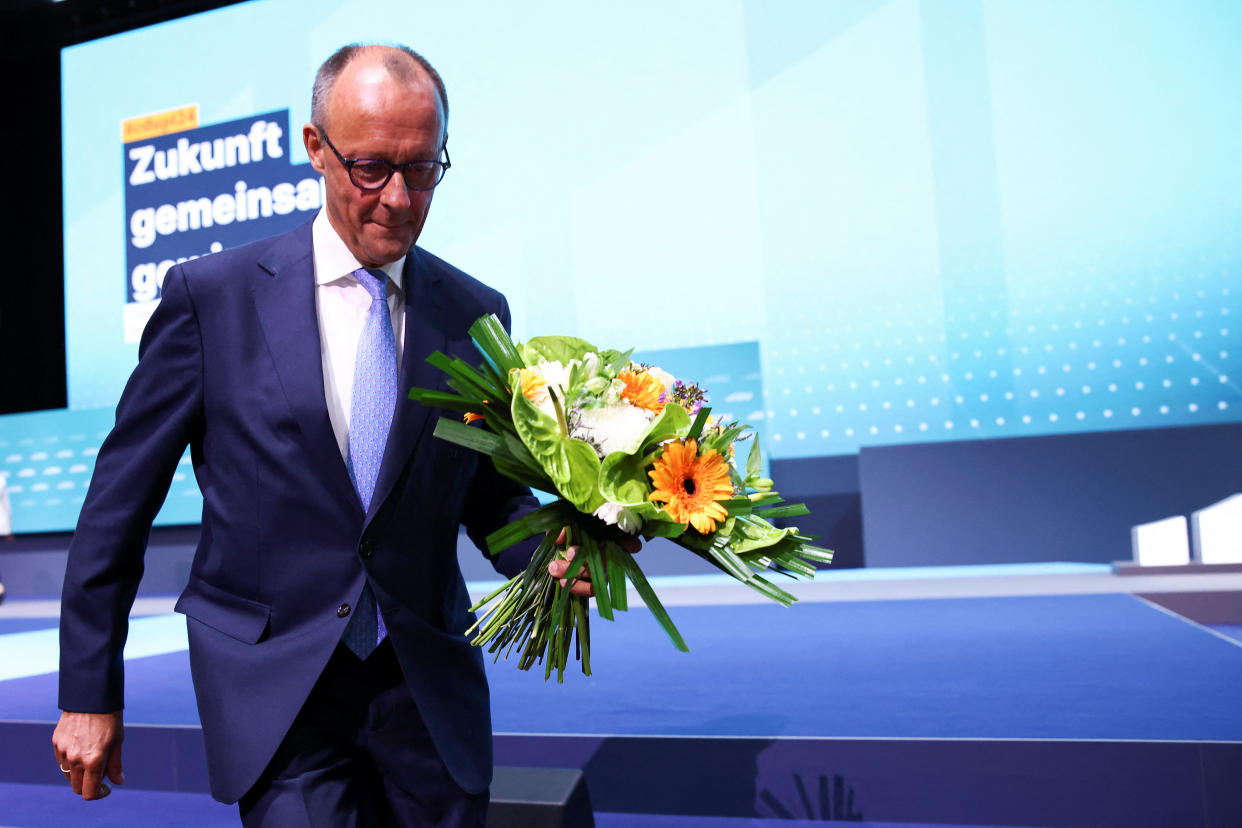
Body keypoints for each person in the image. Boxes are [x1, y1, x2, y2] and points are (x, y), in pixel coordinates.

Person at [52, 43, 593, 826]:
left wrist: (548, 553)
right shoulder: (211, 299)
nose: (399, 198)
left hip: (426, 690)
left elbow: (488, 491)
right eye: (371, 167)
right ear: (315, 148)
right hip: (275, 691)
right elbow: (117, 506)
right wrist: (88, 693)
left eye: (423, 169)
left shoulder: (476, 313)